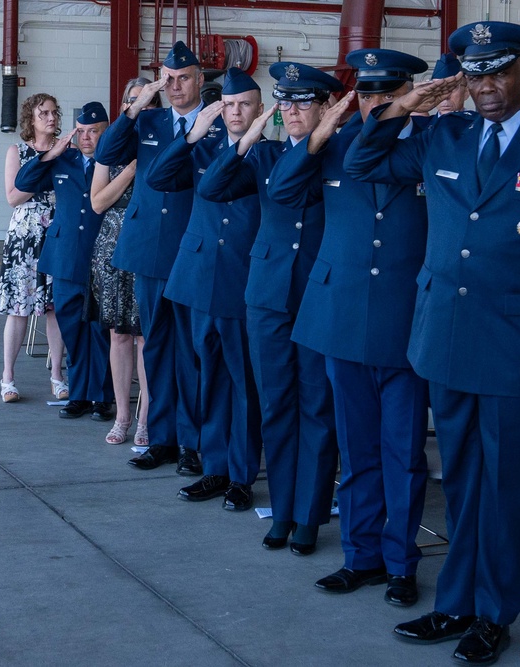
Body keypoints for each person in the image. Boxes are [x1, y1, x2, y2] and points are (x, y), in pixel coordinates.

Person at [345, 21, 520, 663]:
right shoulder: (445, 136)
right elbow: (361, 160)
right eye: (476, 74)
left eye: (498, 72)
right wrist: (408, 104)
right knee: (458, 479)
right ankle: (455, 601)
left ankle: (494, 611)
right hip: (446, 340)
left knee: (507, 485)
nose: (487, 86)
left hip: (519, 350)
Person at [269, 48, 432, 604]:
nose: (376, 103)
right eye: (367, 93)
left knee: (403, 454)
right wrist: (321, 131)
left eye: (389, 93)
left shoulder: (431, 145)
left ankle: (400, 563)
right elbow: (283, 192)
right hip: (340, 319)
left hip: (406, 322)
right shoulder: (333, 146)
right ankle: (360, 556)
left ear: (408, 94)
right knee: (356, 448)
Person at [198, 62, 341, 553]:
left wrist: (325, 137)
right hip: (268, 297)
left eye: (304, 102)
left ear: (325, 107)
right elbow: (212, 187)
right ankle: (283, 508)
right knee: (277, 404)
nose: (293, 110)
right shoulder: (266, 156)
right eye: (286, 101)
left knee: (317, 408)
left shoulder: (340, 155)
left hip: (320, 297)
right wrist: (248, 136)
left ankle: (309, 515)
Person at [147, 68, 264, 512]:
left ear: (259, 110)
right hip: (198, 279)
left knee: (242, 383)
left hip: (239, 281)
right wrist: (192, 136)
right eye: (229, 105)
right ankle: (214, 468)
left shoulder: (266, 153)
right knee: (206, 378)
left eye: (244, 105)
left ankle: (240, 475)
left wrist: (248, 141)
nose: (235, 112)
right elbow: (158, 177)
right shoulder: (205, 146)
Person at [94, 41, 206, 475]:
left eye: (184, 78)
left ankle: (192, 441)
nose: (176, 86)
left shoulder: (216, 123)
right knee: (156, 347)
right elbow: (107, 153)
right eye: (169, 79)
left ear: (199, 80)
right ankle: (161, 437)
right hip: (150, 250)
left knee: (192, 352)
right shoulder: (151, 119)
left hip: (192, 247)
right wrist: (136, 106)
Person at [15, 102, 114, 423]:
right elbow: (25, 181)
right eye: (81, 131)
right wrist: (51, 153)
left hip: (100, 257)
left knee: (99, 329)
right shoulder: (64, 160)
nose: (86, 138)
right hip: (65, 256)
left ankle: (101, 396)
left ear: (106, 131)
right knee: (71, 326)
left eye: (93, 131)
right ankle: (79, 393)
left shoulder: (114, 162)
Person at [89, 77, 159, 446]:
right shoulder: (111, 145)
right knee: (119, 335)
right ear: (125, 105)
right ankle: (122, 415)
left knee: (147, 338)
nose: (143, 107)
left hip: (149, 246)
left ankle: (146, 419)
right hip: (113, 249)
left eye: (150, 101)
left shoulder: (162, 141)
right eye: (136, 100)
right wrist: (131, 170)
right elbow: (98, 202)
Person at [0, 92, 66, 403]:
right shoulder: (18, 152)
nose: (51, 118)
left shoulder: (68, 149)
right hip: (25, 235)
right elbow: (13, 196)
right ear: (31, 120)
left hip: (57, 232)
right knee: (18, 308)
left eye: (53, 113)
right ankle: (8, 377)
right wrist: (45, 162)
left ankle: (57, 375)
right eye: (44, 114)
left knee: (54, 308)